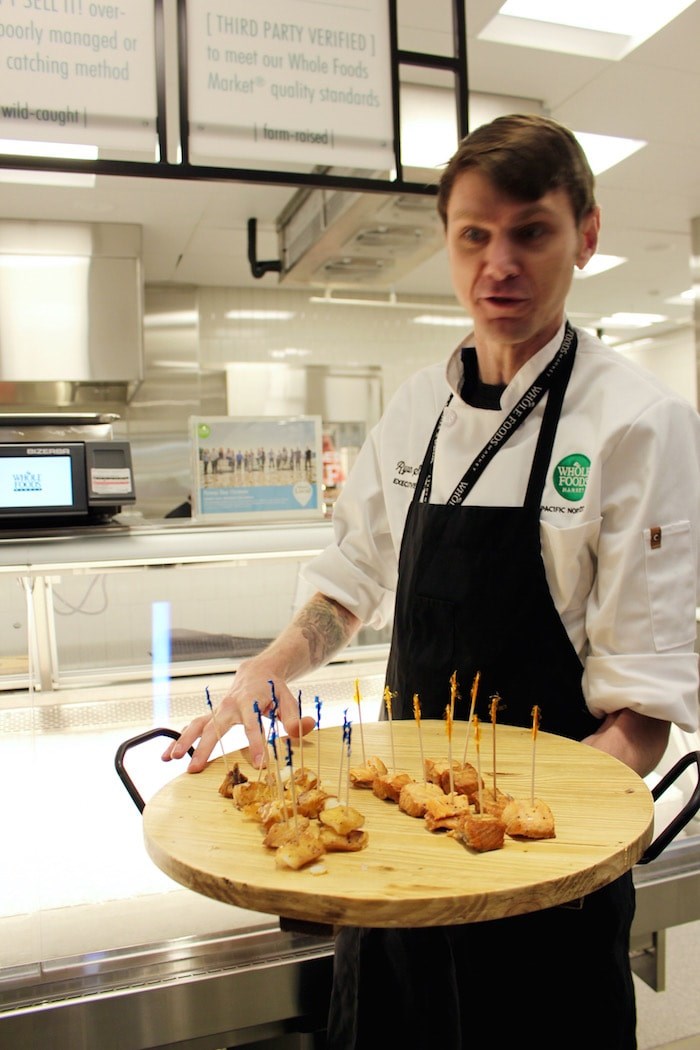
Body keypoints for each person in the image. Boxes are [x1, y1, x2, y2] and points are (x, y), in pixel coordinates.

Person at [162, 114, 700, 1048]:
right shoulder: (418, 411)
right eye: (474, 235)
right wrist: (274, 667)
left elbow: (641, 717)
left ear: (588, 234)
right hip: (405, 867)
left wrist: (512, 852)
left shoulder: (636, 425)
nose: (500, 263)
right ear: (448, 241)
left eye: (532, 231)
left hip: (548, 872)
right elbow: (348, 585)